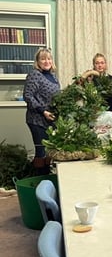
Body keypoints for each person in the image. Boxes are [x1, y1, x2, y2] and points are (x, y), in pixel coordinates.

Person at [23, 47, 60, 175]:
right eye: (43, 59)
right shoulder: (34, 74)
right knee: (41, 152)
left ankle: (47, 179)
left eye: (49, 58)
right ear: (37, 61)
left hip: (50, 119)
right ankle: (38, 179)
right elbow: (28, 95)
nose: (46, 61)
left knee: (49, 152)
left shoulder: (53, 76)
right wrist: (43, 111)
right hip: (37, 119)